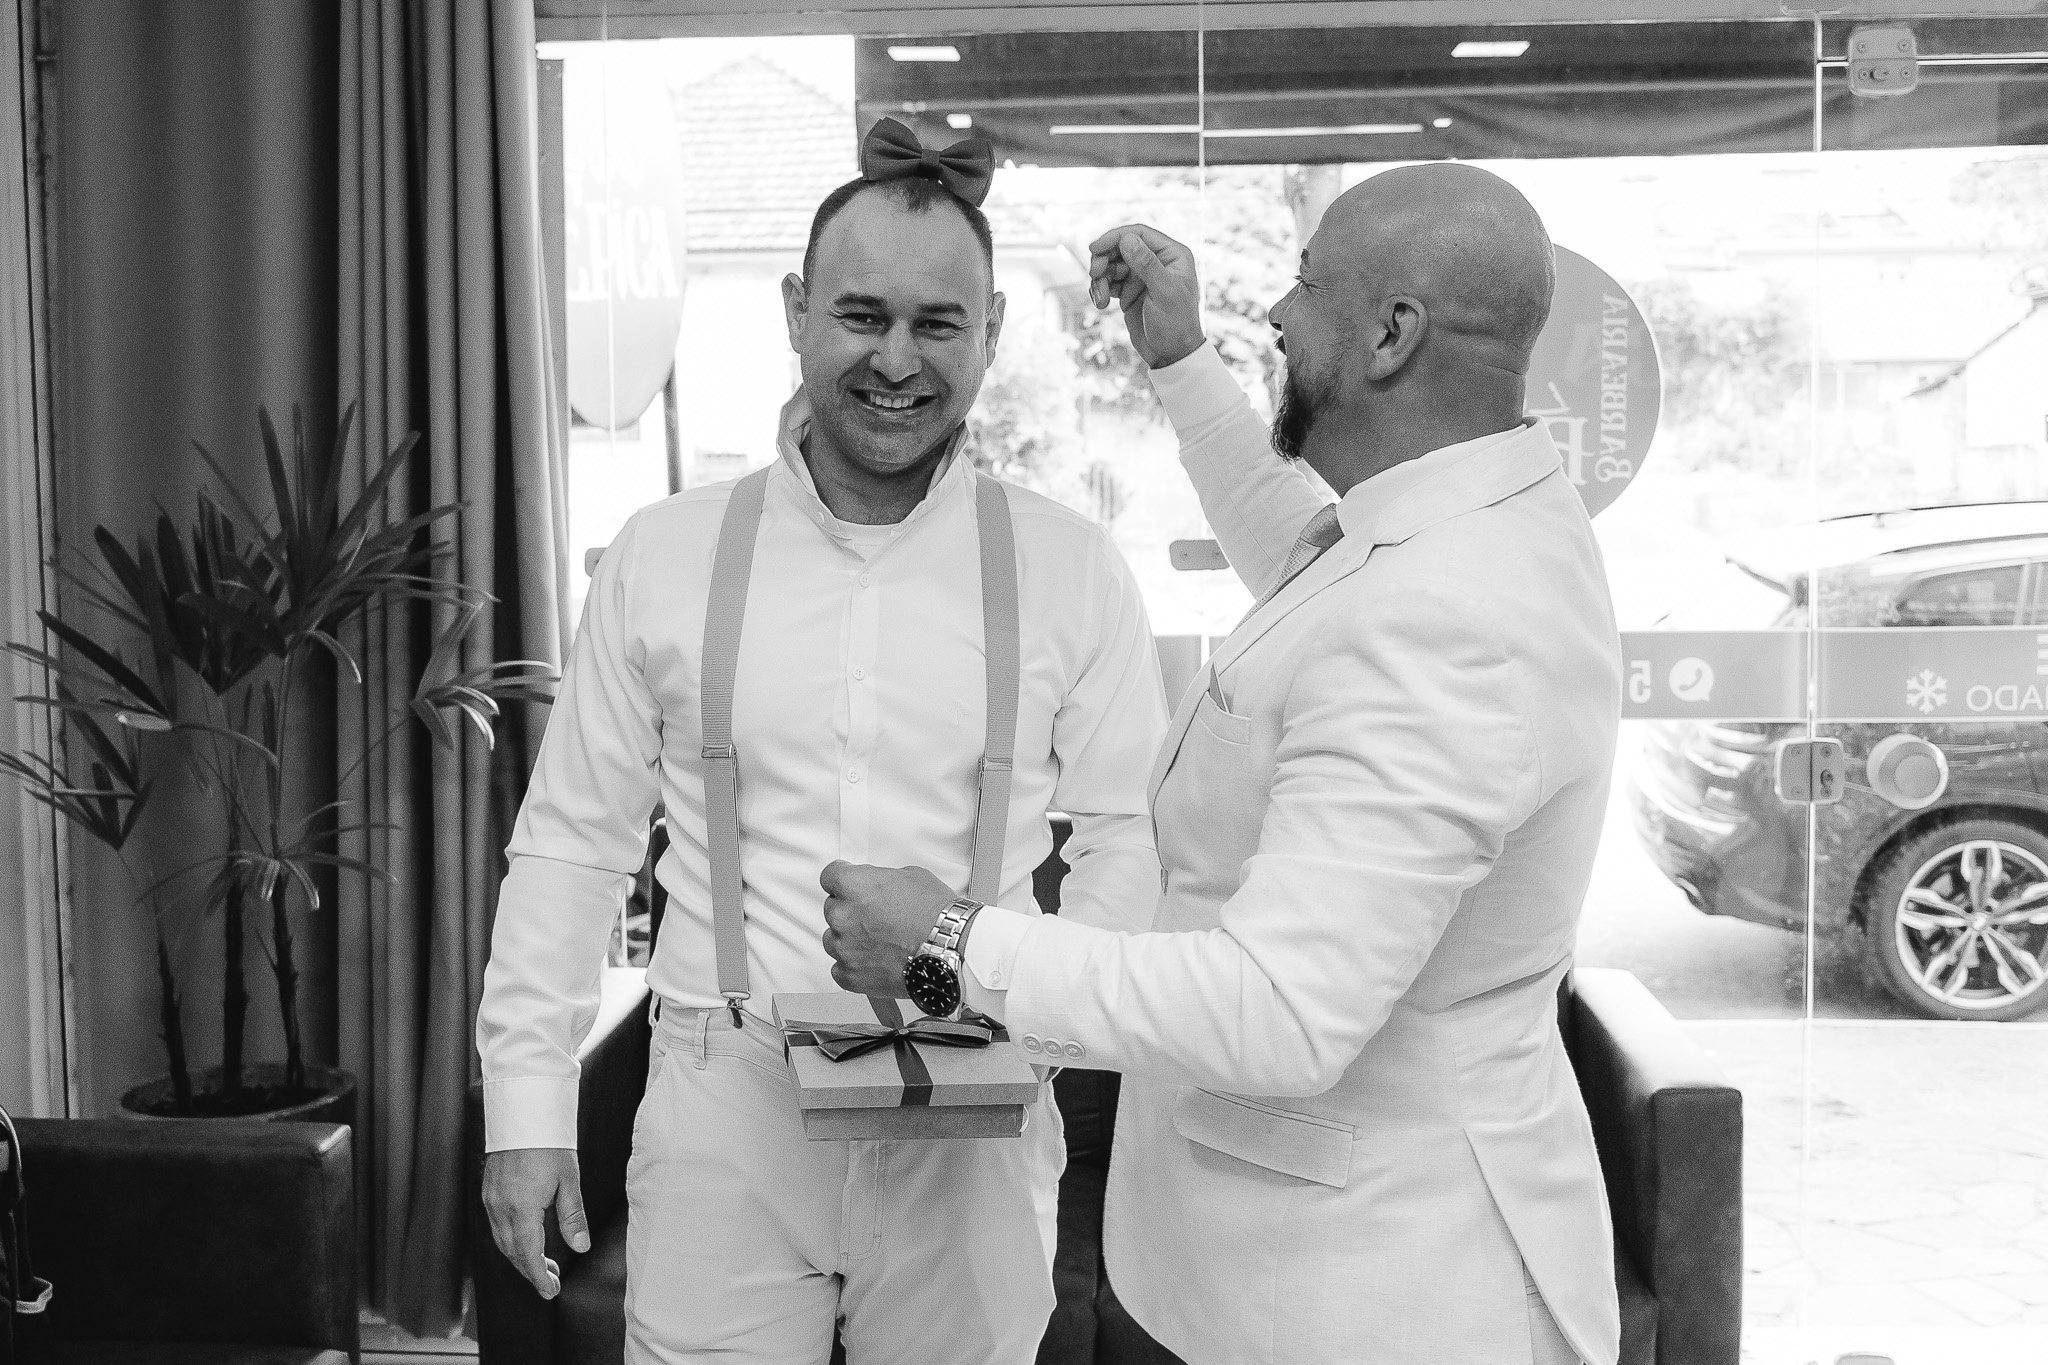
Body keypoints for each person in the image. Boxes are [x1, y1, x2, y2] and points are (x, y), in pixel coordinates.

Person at [818, 161, 1624, 1365]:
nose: (1278, 314)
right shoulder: (1468, 518)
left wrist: (947, 945)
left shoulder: (1446, 614)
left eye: (1306, 284)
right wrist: (1179, 362)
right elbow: (1312, 563)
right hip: (1283, 1265)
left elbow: (1278, 1010)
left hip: (1360, 1296)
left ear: (1391, 334)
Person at [476, 120, 1168, 1365]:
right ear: (796, 310)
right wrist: (526, 1107)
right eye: (860, 316)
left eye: (936, 324)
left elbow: (1132, 837)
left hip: (976, 1098)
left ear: (992, 330)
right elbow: (572, 844)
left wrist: (1049, 1028)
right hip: (723, 1093)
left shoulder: (1070, 566)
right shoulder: (662, 554)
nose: (895, 360)